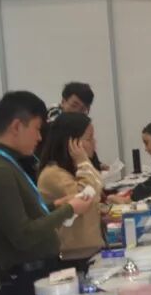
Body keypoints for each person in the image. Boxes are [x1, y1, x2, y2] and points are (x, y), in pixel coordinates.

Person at [0, 92, 93, 295]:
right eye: (36, 128)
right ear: (16, 126)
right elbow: (22, 234)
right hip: (24, 280)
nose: (40, 138)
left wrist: (54, 207)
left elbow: (25, 215)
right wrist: (69, 209)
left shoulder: (8, 164)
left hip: (36, 273)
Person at [37, 113, 109, 271]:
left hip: (87, 252)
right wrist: (83, 161)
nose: (94, 143)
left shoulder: (71, 171)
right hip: (71, 259)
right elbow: (87, 194)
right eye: (89, 139)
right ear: (71, 143)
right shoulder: (53, 174)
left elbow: (96, 188)